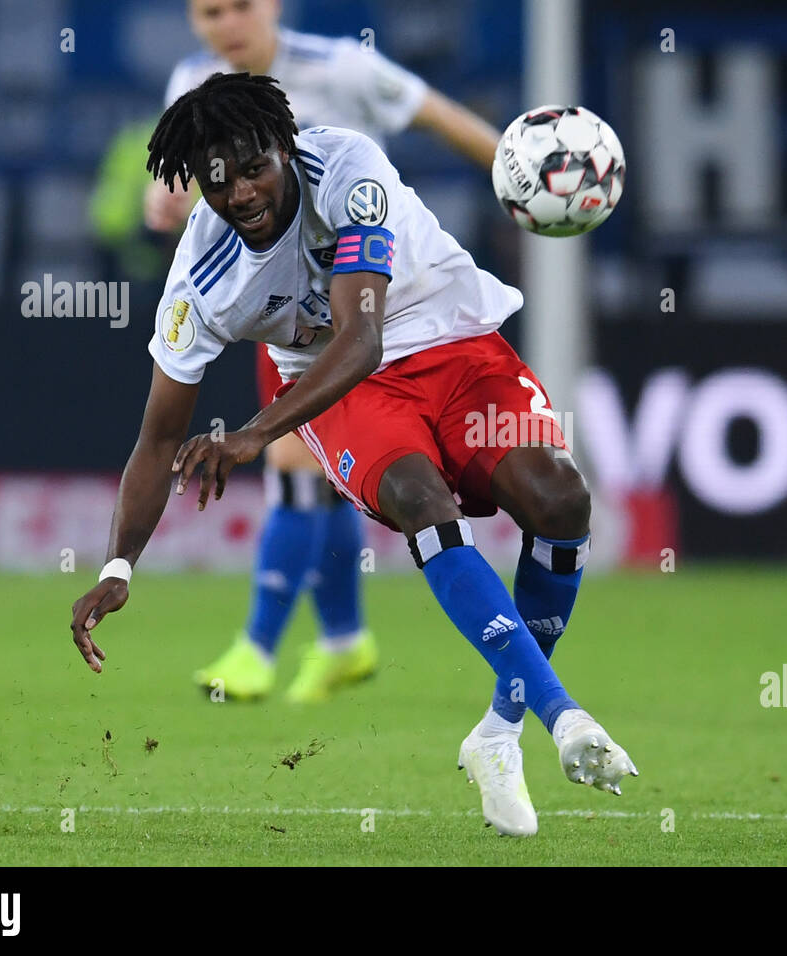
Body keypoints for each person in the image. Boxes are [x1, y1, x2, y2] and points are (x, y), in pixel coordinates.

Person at [68, 74, 636, 837]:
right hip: (345, 394)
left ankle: (500, 730)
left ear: (284, 148)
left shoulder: (347, 171)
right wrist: (117, 568)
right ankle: (562, 717)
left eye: (253, 167)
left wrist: (252, 434)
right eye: (217, 180)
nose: (240, 192)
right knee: (419, 500)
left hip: (453, 340)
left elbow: (363, 337)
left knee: (561, 500)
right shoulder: (200, 285)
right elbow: (158, 439)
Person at [150, 0, 502, 705]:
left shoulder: (342, 65)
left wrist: (521, 177)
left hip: (367, 300)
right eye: (209, 12)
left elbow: (438, 114)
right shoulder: (192, 81)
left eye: (240, 6)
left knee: (290, 461)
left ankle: (260, 645)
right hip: (282, 306)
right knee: (309, 474)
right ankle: (343, 639)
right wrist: (158, 201)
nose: (226, 24)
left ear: (273, 5)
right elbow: (173, 187)